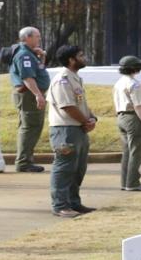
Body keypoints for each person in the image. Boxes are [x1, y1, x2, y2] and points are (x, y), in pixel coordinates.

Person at [47, 44, 96, 218]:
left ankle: (73, 202)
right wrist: (85, 121)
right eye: (81, 55)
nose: (84, 57)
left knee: (78, 168)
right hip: (65, 129)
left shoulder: (75, 78)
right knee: (65, 167)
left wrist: (91, 118)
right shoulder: (62, 80)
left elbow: (80, 104)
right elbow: (67, 106)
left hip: (78, 128)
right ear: (71, 59)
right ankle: (60, 205)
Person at [10, 27, 51, 173]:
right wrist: (38, 95)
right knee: (30, 127)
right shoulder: (24, 56)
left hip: (31, 94)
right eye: (37, 36)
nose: (39, 39)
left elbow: (38, 70)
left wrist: (42, 58)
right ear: (27, 37)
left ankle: (26, 159)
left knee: (32, 127)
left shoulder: (30, 54)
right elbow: (27, 77)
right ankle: (23, 162)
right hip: (28, 95)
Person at [114, 55, 141, 192]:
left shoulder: (119, 82)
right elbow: (138, 106)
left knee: (127, 152)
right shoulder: (134, 84)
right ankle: (133, 182)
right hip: (132, 117)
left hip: (121, 117)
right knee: (136, 151)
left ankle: (125, 182)